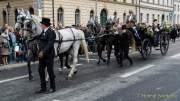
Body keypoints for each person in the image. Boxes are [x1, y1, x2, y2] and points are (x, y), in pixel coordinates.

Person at [35, 17, 56, 94]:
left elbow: (50, 44)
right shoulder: (43, 31)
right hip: (42, 55)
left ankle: (52, 88)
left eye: (41, 24)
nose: (41, 25)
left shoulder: (51, 32)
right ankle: (43, 88)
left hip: (48, 55)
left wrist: (43, 52)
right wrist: (32, 37)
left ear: (44, 25)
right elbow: (39, 37)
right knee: (40, 70)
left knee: (50, 71)